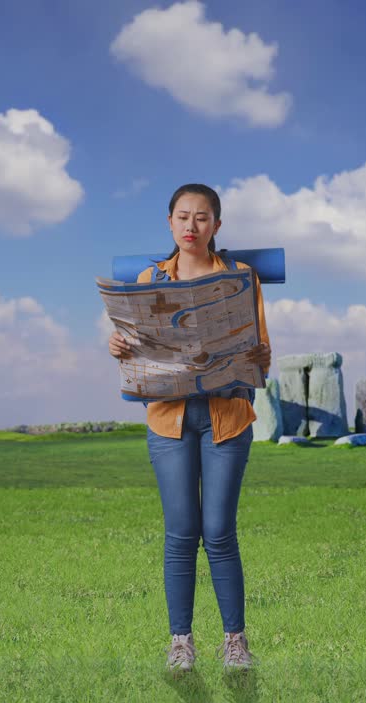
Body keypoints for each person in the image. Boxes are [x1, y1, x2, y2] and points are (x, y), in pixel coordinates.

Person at [108, 183, 271, 674]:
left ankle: (235, 642)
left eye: (202, 217)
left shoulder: (240, 278)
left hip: (227, 418)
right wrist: (119, 346)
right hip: (169, 420)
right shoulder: (151, 279)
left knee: (219, 531)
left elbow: (262, 353)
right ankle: (181, 642)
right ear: (170, 222)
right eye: (182, 216)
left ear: (216, 225)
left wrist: (258, 356)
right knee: (181, 533)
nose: (191, 226)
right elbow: (137, 348)